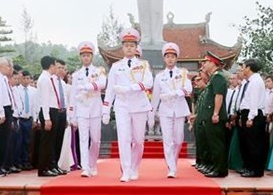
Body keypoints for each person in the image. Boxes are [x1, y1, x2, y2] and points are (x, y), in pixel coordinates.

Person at [102, 28, 154, 182]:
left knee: (138, 140)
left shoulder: (143, 65)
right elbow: (110, 88)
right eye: (126, 45)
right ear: (122, 47)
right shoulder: (116, 66)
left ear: (136, 47)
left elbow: (149, 82)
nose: (129, 48)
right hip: (122, 106)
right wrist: (106, 109)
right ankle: (126, 170)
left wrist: (130, 88)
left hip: (139, 105)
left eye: (132, 45)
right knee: (124, 138)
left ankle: (135, 167)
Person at [149, 42, 192, 178]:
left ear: (176, 58)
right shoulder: (160, 76)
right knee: (167, 140)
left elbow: (188, 89)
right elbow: (155, 96)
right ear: (164, 59)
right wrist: (151, 113)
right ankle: (172, 168)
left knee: (178, 140)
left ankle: (173, 162)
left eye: (172, 56)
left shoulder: (183, 73)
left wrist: (176, 93)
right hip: (165, 111)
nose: (170, 59)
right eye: (167, 56)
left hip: (179, 109)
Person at [70, 41, 106, 177]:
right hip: (82, 110)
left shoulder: (99, 71)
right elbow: (73, 95)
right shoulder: (76, 75)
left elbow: (103, 84)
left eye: (88, 55)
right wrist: (72, 115)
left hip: (95, 108)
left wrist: (87, 87)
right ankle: (85, 167)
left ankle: (92, 163)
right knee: (83, 139)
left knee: (96, 140)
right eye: (83, 55)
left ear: (92, 56)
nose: (86, 57)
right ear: (80, 57)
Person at [198, 51, 228, 178]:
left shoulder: (218, 77)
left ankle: (220, 169)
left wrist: (215, 113)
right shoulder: (213, 77)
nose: (203, 64)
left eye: (206, 62)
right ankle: (214, 167)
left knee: (216, 144)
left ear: (213, 63)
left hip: (215, 116)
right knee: (211, 143)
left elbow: (219, 96)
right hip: (209, 116)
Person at [237, 59, 267, 178]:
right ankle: (249, 167)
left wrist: (250, 117)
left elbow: (254, 101)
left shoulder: (255, 81)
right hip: (247, 113)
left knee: (254, 143)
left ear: (249, 68)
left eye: (243, 67)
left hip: (253, 114)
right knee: (247, 143)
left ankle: (255, 169)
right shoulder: (249, 81)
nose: (242, 70)